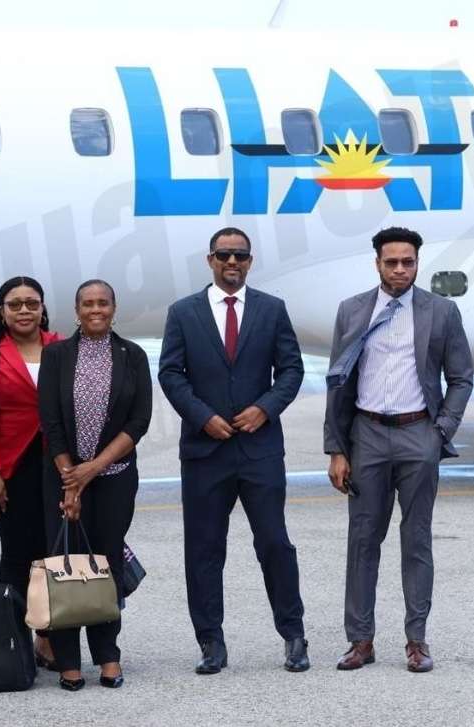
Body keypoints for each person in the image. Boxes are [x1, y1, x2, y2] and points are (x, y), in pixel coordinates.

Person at [158, 226, 309, 674]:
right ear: (210, 260)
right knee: (204, 549)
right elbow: (171, 373)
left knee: (275, 543)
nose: (232, 262)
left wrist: (265, 409)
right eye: (223, 255)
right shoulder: (183, 312)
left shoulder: (271, 309)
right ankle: (211, 642)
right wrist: (202, 416)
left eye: (240, 255)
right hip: (205, 452)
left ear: (250, 261)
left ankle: (294, 635)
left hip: (260, 450)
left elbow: (291, 370)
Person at [323, 226, 473, 673]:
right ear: (377, 264)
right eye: (391, 262)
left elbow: (461, 378)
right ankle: (360, 641)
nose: (400, 270)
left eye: (408, 262)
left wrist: (440, 431)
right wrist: (336, 449)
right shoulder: (352, 310)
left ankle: (417, 641)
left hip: (418, 434)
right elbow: (337, 382)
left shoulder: (441, 312)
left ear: (417, 263)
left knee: (417, 540)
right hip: (366, 435)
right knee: (363, 540)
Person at [37, 279, 152, 691]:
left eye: (103, 303)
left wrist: (94, 468)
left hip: (114, 479)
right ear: (77, 310)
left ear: (114, 309)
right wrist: (72, 480)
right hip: (63, 478)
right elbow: (50, 421)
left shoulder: (133, 355)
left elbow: (138, 422)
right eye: (88, 303)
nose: (96, 309)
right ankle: (68, 660)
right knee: (65, 564)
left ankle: (108, 655)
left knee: (107, 564)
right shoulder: (56, 355)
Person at [0, 275, 61, 669]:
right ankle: (13, 641)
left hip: (57, 465)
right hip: (10, 468)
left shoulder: (61, 346)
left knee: (53, 552)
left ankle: (48, 638)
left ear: (42, 308)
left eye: (32, 303)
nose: (24, 310)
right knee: (18, 553)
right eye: (15, 304)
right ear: (2, 310)